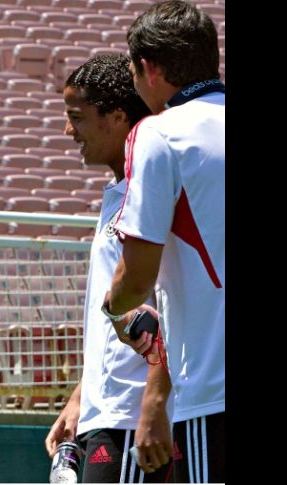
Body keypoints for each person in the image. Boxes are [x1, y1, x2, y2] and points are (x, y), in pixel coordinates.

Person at [101, 1, 225, 482]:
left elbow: (136, 279)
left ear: (148, 68)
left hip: (213, 387)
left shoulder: (159, 133)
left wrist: (115, 310)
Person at [43, 54, 164, 483]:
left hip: (133, 418)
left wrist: (152, 405)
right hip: (107, 412)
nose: (68, 130)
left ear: (116, 117)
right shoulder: (117, 193)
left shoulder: (149, 195)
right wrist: (83, 395)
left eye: (77, 117)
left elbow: (169, 313)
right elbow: (111, 319)